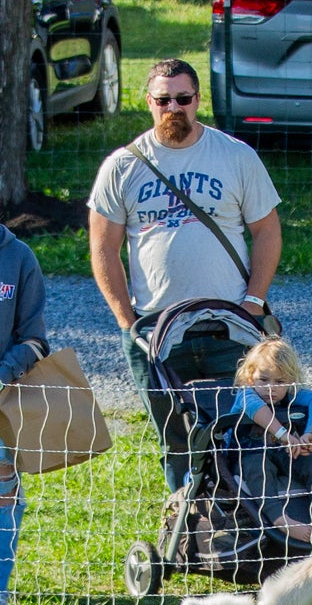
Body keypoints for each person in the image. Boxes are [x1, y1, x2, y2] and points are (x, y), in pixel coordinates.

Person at [88, 58, 282, 491]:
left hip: (229, 325)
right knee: (176, 440)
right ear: (149, 102)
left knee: (244, 429)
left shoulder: (235, 156)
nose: (173, 107)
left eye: (183, 98)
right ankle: (188, 529)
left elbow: (267, 231)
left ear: (198, 100)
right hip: (154, 329)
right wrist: (127, 320)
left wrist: (253, 301)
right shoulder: (122, 166)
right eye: (163, 99)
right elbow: (103, 248)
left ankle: (248, 527)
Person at [232, 338, 312, 546]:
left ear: (290, 380)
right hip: (249, 453)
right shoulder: (246, 395)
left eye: (279, 382)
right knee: (259, 471)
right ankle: (281, 520)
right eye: (264, 380)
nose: (270, 388)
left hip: (286, 452)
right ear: (250, 376)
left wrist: (309, 434)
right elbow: (257, 410)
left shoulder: (290, 396)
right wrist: (283, 434)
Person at [0, 225, 50, 605]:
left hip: (0, 397)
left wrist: (3, 371)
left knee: (4, 495)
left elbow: (34, 339)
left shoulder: (19, 258)